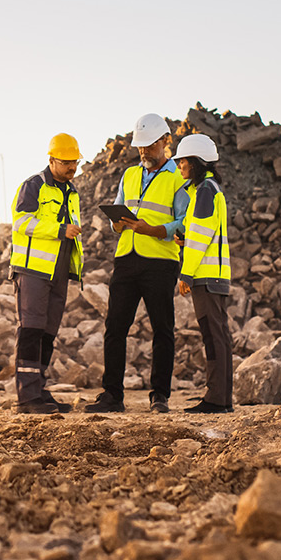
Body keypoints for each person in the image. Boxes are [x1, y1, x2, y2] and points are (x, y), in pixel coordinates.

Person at [88, 113, 189, 414]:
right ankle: (112, 395)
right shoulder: (129, 175)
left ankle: (160, 396)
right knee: (115, 327)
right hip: (126, 259)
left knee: (162, 329)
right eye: (140, 146)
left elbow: (184, 222)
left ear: (166, 141)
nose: (144, 151)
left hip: (160, 262)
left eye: (149, 145)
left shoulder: (178, 178)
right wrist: (116, 224)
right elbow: (117, 215)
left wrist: (155, 230)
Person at [8, 133, 85, 414]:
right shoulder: (34, 186)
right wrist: (59, 230)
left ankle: (38, 390)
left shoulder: (72, 192)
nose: (72, 167)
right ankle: (27, 398)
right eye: (66, 162)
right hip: (33, 270)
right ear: (51, 160)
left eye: (75, 162)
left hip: (59, 271)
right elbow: (21, 222)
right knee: (31, 329)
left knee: (48, 332)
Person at [174, 133, 234, 413]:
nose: (179, 165)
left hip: (206, 277)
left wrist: (186, 274)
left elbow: (200, 237)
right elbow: (202, 234)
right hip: (214, 275)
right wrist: (184, 239)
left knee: (213, 336)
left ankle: (216, 400)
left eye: (183, 160)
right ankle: (221, 398)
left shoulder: (205, 191)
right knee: (218, 335)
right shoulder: (208, 189)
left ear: (196, 161)